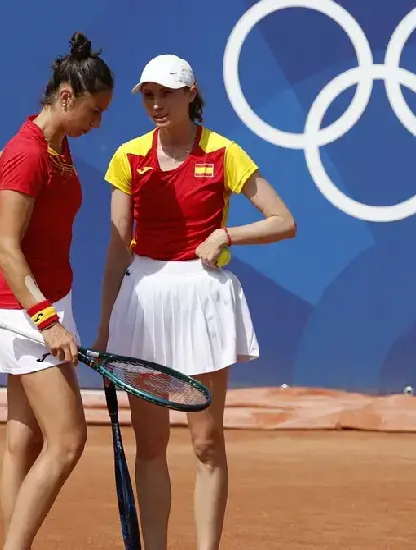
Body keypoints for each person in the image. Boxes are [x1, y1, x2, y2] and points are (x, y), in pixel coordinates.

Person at [94, 54, 296, 550]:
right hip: (142, 299)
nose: (157, 104)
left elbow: (282, 220)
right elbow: (119, 245)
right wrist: (103, 328)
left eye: (166, 93)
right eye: (148, 95)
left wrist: (226, 233)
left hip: (201, 298)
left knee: (206, 442)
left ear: (190, 94)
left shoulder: (225, 153)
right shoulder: (128, 157)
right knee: (151, 445)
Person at [0, 31, 114, 550]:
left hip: (45, 302)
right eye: (94, 111)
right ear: (65, 97)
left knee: (24, 439)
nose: (98, 122)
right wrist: (46, 319)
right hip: (25, 311)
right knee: (68, 441)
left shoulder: (54, 147)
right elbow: (7, 249)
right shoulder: (29, 153)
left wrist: (14, 205)